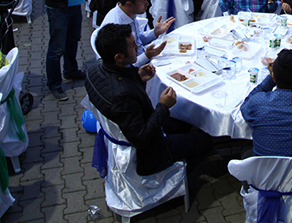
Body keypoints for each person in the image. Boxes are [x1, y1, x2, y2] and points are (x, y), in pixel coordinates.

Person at [85, 24, 212, 176]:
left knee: (186, 119)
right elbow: (141, 138)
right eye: (133, 46)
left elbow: (123, 93)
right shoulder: (122, 96)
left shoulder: (95, 69)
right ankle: (175, 179)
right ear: (118, 57)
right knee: (206, 142)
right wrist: (163, 106)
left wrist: (138, 78)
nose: (138, 46)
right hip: (147, 152)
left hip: (134, 125)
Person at [101, 0, 174, 68]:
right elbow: (127, 65)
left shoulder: (129, 13)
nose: (147, 4)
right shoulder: (116, 27)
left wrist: (155, 32)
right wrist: (147, 55)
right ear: (129, 4)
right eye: (143, 1)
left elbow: (137, 40)